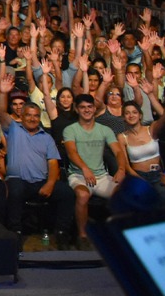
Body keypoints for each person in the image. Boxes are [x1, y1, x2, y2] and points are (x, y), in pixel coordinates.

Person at [0, 72, 76, 247]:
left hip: (41, 182)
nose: (32, 119)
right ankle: (15, 232)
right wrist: (3, 93)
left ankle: (61, 232)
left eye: (36, 116)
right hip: (18, 181)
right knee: (15, 191)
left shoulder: (46, 137)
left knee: (67, 193)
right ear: (22, 117)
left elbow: (53, 163)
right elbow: (1, 112)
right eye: (28, 115)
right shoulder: (14, 130)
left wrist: (50, 183)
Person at [62, 95, 127, 245]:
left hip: (101, 176)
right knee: (83, 195)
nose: (87, 110)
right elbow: (72, 152)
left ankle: (117, 232)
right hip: (78, 175)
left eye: (89, 107)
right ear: (77, 109)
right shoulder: (70, 130)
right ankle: (83, 236)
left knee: (122, 192)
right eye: (83, 107)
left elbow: (118, 151)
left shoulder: (105, 130)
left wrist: (121, 169)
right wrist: (85, 168)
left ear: (94, 108)